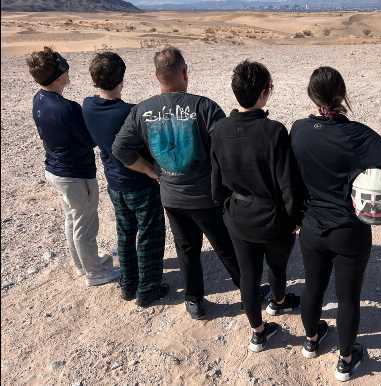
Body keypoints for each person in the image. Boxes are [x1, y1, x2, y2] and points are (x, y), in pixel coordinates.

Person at [290, 66, 381, 381]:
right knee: (347, 297)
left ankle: (311, 341)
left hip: (311, 228)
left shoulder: (299, 130)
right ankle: (346, 361)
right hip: (349, 231)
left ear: (311, 96)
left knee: (313, 286)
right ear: (342, 94)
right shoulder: (356, 135)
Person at [112, 46, 241, 320]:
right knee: (225, 246)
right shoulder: (204, 107)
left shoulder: (142, 110)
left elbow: (120, 149)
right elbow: (228, 149)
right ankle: (248, 289)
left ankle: (193, 300)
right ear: (184, 72)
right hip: (205, 196)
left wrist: (150, 170)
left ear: (156, 76)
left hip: (171, 196)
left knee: (186, 248)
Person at [211, 60, 303, 352]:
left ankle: (258, 333)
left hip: (238, 216)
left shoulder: (219, 130)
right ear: (264, 92)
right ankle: (278, 301)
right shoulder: (274, 131)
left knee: (248, 275)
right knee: (277, 266)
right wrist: (295, 218)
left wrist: (226, 209)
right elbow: (287, 184)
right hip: (274, 218)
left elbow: (216, 183)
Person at [28, 47, 119, 287]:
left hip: (56, 170)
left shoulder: (39, 98)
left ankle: (82, 265)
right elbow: (89, 140)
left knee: (72, 219)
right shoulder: (67, 108)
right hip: (75, 174)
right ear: (59, 75)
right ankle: (95, 273)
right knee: (85, 225)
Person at [82, 52, 167, 307]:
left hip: (115, 184)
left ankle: (128, 284)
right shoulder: (131, 112)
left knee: (125, 234)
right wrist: (152, 170)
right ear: (121, 78)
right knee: (150, 235)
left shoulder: (88, 105)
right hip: (140, 185)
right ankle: (149, 289)